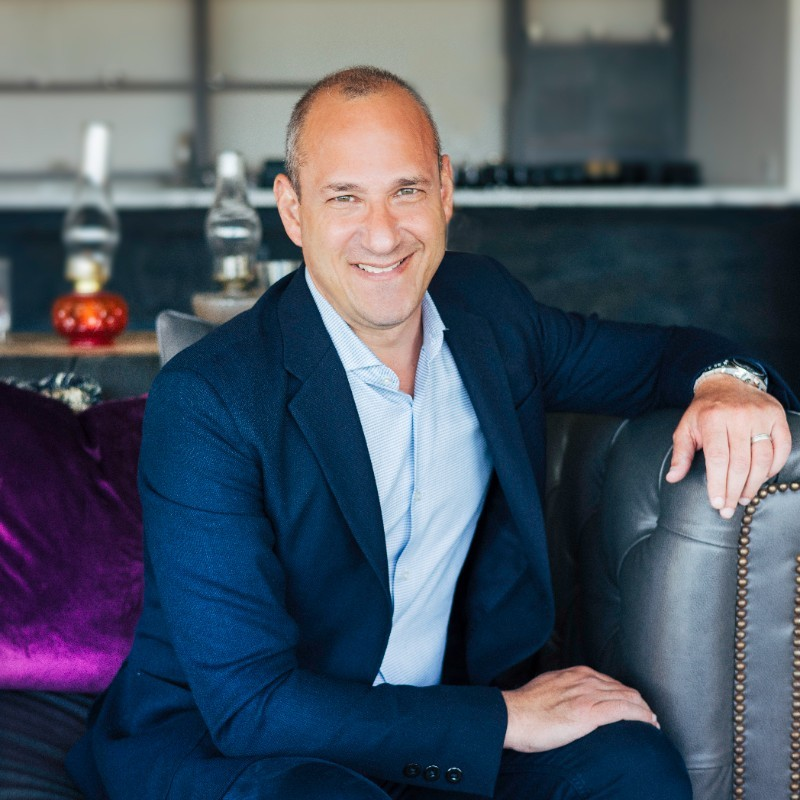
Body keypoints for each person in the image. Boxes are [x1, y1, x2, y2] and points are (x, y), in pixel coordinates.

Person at [68, 66, 796, 799]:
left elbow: (660, 358)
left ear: (445, 190)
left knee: (632, 767)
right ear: (292, 210)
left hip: (439, 721)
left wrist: (730, 383)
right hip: (237, 745)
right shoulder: (209, 399)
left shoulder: (489, 313)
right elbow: (252, 706)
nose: (383, 234)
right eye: (344, 197)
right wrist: (505, 717)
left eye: (407, 190)